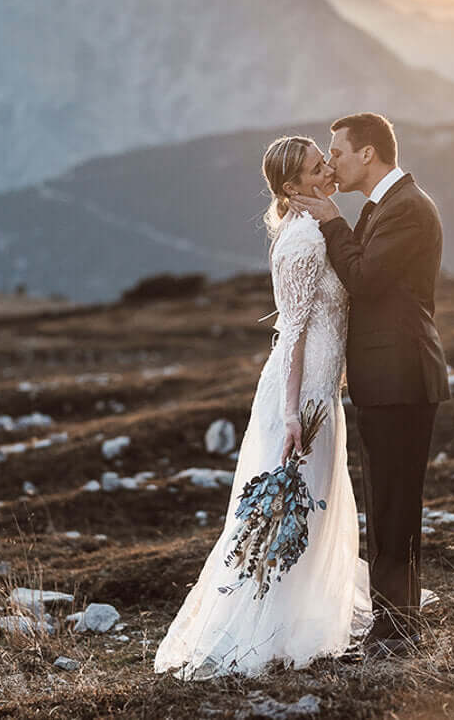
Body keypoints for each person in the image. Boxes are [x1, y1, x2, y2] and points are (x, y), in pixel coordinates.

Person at [154, 135, 372, 680]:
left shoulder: (315, 229)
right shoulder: (302, 240)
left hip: (322, 388)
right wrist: (294, 413)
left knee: (312, 503)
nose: (329, 171)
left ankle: (299, 621)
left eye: (327, 161)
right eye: (317, 168)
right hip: (301, 395)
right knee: (292, 506)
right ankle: (261, 630)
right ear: (292, 187)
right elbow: (293, 331)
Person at [289, 112, 450, 659]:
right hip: (388, 378)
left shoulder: (406, 208)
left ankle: (399, 630)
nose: (331, 162)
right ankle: (394, 623)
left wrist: (333, 221)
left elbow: (364, 279)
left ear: (368, 154)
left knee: (395, 505)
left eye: (337, 152)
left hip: (401, 376)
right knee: (388, 503)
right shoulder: (388, 205)